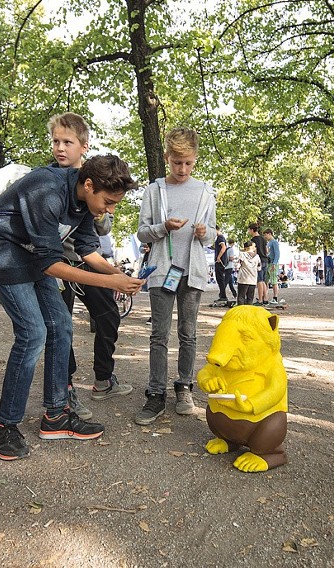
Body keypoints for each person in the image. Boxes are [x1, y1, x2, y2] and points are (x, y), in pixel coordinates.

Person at [0, 155, 141, 460]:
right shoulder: (48, 189)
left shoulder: (83, 203)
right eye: (108, 201)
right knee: (33, 333)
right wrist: (109, 284)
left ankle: (55, 415)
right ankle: (5, 424)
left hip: (31, 256)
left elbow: (87, 249)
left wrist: (116, 274)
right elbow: (51, 263)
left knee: (62, 325)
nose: (110, 209)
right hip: (1, 250)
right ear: (89, 185)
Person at [48, 113, 132, 421]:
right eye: (56, 141)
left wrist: (99, 211)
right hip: (56, 265)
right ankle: (65, 386)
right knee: (60, 327)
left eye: (67, 142)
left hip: (87, 258)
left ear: (83, 146)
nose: (60, 148)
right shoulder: (47, 181)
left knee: (108, 313)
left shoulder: (97, 181)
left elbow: (101, 231)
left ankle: (103, 378)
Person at [135, 127, 217, 425]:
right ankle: (155, 393)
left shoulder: (206, 192)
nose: (182, 169)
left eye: (188, 163)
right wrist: (163, 228)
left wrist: (205, 233)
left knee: (188, 333)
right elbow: (143, 231)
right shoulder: (154, 191)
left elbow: (212, 235)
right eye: (177, 162)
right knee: (159, 334)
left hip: (191, 273)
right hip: (161, 271)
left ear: (195, 159)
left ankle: (184, 386)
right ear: (167, 157)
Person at [248, 223, 268, 304]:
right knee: (263, 280)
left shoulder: (253, 240)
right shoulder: (263, 239)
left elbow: (254, 252)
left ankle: (260, 300)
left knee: (259, 281)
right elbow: (267, 250)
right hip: (265, 260)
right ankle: (265, 298)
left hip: (259, 261)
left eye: (249, 230)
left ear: (252, 230)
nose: (248, 231)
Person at [263, 229, 281, 304]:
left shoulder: (274, 242)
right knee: (265, 280)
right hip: (268, 263)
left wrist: (274, 263)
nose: (265, 236)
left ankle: (275, 297)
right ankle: (265, 297)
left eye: (265, 235)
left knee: (273, 281)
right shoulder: (269, 243)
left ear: (269, 234)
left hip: (273, 263)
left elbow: (277, 253)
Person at [213, 226, 230, 304]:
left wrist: (218, 257)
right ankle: (222, 295)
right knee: (220, 279)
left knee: (220, 279)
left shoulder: (220, 237)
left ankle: (223, 296)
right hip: (221, 261)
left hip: (220, 262)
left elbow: (224, 247)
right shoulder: (220, 238)